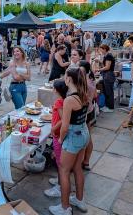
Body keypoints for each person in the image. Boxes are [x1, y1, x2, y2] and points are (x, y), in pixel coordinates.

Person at [49, 68, 89, 214]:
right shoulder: (84, 93)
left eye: (65, 76)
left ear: (69, 80)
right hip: (84, 133)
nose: (64, 78)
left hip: (73, 136)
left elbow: (65, 127)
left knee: (64, 171)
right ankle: (79, 199)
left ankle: (65, 208)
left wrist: (60, 140)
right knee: (77, 168)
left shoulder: (69, 100)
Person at [44, 79, 69, 197]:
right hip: (59, 133)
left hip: (58, 134)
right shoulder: (64, 100)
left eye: (53, 87)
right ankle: (59, 181)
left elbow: (63, 119)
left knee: (59, 162)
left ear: (56, 90)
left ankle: (59, 187)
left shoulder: (59, 102)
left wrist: (53, 129)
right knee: (59, 160)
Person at [79, 60, 97, 171]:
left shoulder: (83, 82)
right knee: (88, 136)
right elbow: (95, 95)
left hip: (83, 112)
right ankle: (86, 162)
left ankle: (78, 162)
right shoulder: (91, 79)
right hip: (90, 110)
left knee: (82, 137)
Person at [98, 44, 116, 113]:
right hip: (107, 74)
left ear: (105, 49)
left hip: (109, 75)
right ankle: (107, 106)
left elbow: (107, 67)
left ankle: (110, 107)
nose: (100, 50)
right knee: (106, 91)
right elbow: (105, 65)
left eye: (101, 49)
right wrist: (100, 62)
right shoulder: (106, 56)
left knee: (109, 92)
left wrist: (99, 70)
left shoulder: (108, 56)